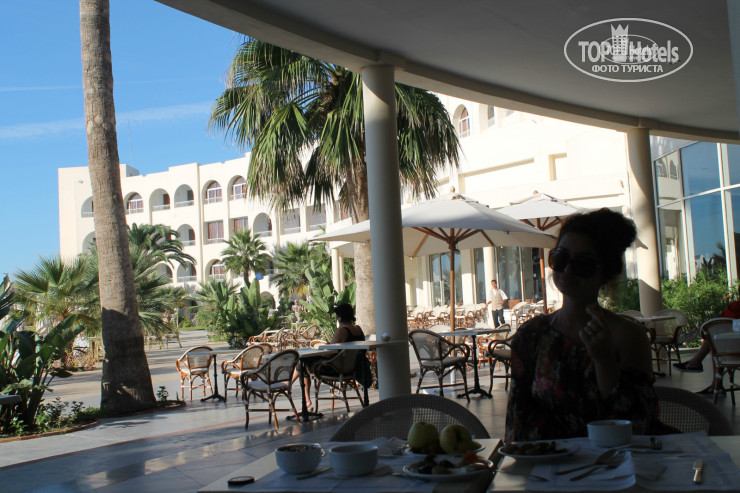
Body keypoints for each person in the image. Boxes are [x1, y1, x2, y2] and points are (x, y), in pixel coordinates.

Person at [505, 208, 660, 442]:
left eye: (584, 263)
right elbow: (517, 425)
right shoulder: (531, 335)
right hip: (549, 461)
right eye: (561, 258)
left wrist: (604, 360)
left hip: (614, 460)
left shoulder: (628, 336)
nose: (568, 269)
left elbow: (638, 425)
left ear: (605, 273)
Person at [292, 303, 365, 411]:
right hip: (353, 368)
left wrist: (321, 349)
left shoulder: (342, 331)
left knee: (302, 363)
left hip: (335, 370)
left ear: (339, 318)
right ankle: (291, 385)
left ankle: (303, 397)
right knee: (303, 363)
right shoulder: (358, 329)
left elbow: (328, 353)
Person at [673, 289, 740, 394]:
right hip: (734, 349)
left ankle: (712, 381)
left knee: (714, 343)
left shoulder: (734, 307)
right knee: (714, 344)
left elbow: (715, 323)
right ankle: (710, 379)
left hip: (731, 352)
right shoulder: (734, 308)